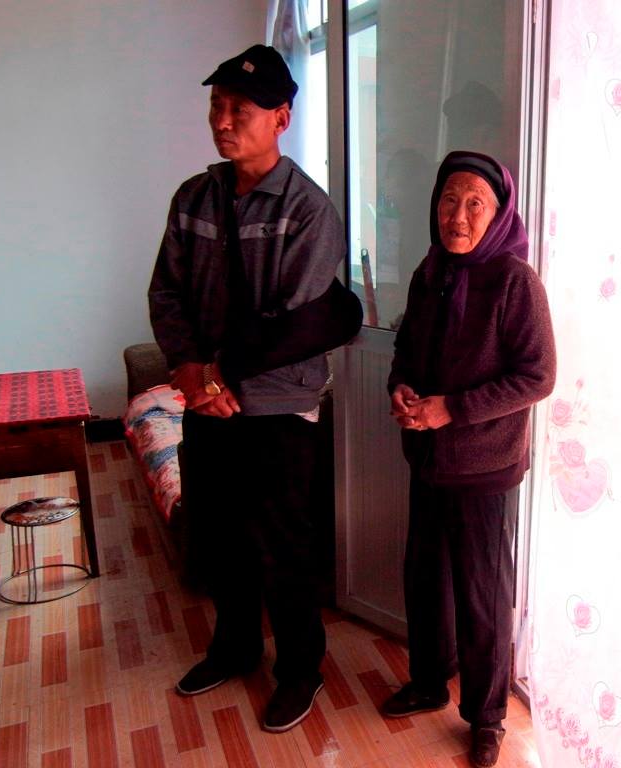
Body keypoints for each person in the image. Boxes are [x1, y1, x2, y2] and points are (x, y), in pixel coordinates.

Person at [148, 44, 360, 733]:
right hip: (207, 400)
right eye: (217, 105)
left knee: (283, 544)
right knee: (219, 534)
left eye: (240, 109)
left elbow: (291, 323)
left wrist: (217, 374)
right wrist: (190, 372)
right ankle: (234, 648)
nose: (223, 120)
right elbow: (166, 292)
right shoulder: (194, 198)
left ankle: (299, 669)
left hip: (277, 405)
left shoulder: (309, 211)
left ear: (281, 118)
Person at [384, 151, 556, 767]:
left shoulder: (514, 281)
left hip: (484, 466)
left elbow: (538, 376)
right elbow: (405, 350)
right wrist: (401, 390)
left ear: (498, 212)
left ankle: (487, 717)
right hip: (429, 458)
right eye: (449, 200)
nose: (458, 216)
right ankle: (429, 680)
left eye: (474, 204)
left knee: (483, 595)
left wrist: (452, 409)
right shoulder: (429, 272)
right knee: (425, 577)